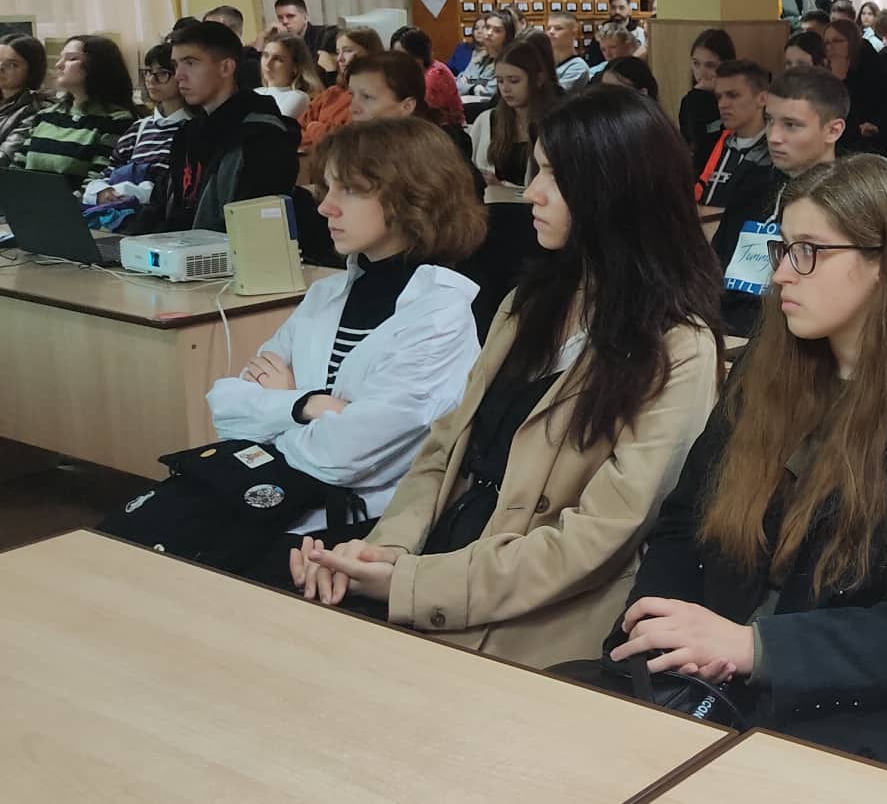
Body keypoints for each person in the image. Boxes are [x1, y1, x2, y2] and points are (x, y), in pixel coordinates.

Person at [593, 155, 887, 772]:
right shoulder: (765, 370)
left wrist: (757, 647)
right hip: (703, 682)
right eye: (781, 249)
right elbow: (685, 525)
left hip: (848, 721)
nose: (780, 275)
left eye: (809, 252)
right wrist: (657, 634)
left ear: (886, 263)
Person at [290, 87, 723, 667]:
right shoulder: (529, 303)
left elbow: (598, 536)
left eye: (554, 177)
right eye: (535, 170)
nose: (532, 193)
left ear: (614, 191)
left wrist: (412, 583)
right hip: (440, 561)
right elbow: (443, 451)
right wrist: (383, 551)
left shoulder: (678, 347)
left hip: (536, 613)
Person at [103, 118, 484, 581]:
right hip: (272, 491)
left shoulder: (440, 316)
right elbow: (227, 405)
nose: (325, 207)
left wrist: (281, 405)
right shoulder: (328, 294)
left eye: (349, 191)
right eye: (327, 188)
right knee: (122, 544)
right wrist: (308, 405)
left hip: (352, 524)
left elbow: (342, 457)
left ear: (413, 196)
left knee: (166, 573)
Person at [713, 67, 845, 336]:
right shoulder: (751, 182)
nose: (773, 136)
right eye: (770, 120)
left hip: (792, 339)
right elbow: (715, 266)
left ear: (833, 130)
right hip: (724, 331)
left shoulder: (847, 199)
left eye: (791, 125)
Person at [134, 21, 300, 233]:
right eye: (176, 65)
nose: (179, 75)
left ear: (226, 68)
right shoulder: (188, 133)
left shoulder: (263, 138)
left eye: (190, 63)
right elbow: (162, 208)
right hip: (177, 247)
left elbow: (254, 229)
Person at [4, 35, 135, 186]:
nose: (59, 65)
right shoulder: (46, 115)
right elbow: (17, 169)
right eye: (61, 58)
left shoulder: (117, 120)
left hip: (77, 201)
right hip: (26, 199)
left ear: (96, 65)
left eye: (71, 59)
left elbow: (98, 182)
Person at [83, 42, 188, 210]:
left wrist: (131, 192)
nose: (151, 80)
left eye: (162, 73)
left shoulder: (194, 129)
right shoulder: (138, 129)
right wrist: (102, 191)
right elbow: (108, 174)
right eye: (148, 72)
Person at [469, 38, 559, 195]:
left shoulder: (555, 125)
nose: (505, 88)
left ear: (538, 79)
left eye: (514, 81)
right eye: (500, 81)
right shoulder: (487, 121)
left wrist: (505, 188)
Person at [694, 59, 771, 209]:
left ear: (762, 98)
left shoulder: (775, 152)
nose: (722, 104)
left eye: (733, 95)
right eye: (719, 97)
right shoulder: (713, 144)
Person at [302, 27, 384, 158]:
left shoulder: (375, 97)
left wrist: (314, 128)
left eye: (348, 51)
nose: (339, 58)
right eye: (337, 52)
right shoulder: (332, 92)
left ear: (370, 53)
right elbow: (299, 127)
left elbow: (348, 139)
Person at [825, 17, 887, 149]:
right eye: (827, 43)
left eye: (838, 41)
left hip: (866, 138)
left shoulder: (868, 65)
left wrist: (841, 80)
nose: (830, 47)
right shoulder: (823, 70)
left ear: (852, 42)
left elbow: (880, 105)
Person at [389, 25, 465, 129]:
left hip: (444, 131)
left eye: (405, 57)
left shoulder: (436, 74)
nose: (399, 62)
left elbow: (418, 113)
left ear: (420, 55)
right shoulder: (409, 73)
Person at [678, 29, 732, 165]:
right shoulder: (690, 100)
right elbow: (693, 144)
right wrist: (697, 97)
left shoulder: (735, 101)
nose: (701, 73)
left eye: (710, 65)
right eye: (696, 63)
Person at [0, 34, 52, 165]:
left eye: (12, 65)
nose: (0, 68)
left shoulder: (37, 109)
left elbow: (5, 157)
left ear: (32, 70)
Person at [256, 32, 322, 120]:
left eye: (278, 59)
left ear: (295, 67)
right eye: (265, 55)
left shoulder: (298, 97)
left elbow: (273, 123)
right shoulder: (256, 92)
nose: (267, 63)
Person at [457, 10, 514, 99]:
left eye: (497, 30)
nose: (489, 33)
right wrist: (475, 88)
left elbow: (491, 92)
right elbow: (457, 85)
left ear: (507, 36)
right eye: (487, 27)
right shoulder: (478, 58)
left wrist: (469, 87)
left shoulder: (508, 62)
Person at [273, 0, 338, 64]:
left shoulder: (326, 35)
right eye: (280, 17)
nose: (284, 21)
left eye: (290, 16)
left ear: (305, 18)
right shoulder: (281, 41)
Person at [547, 11, 593, 90]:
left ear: (574, 33)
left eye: (558, 28)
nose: (551, 32)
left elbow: (555, 95)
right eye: (548, 28)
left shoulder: (578, 67)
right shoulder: (545, 61)